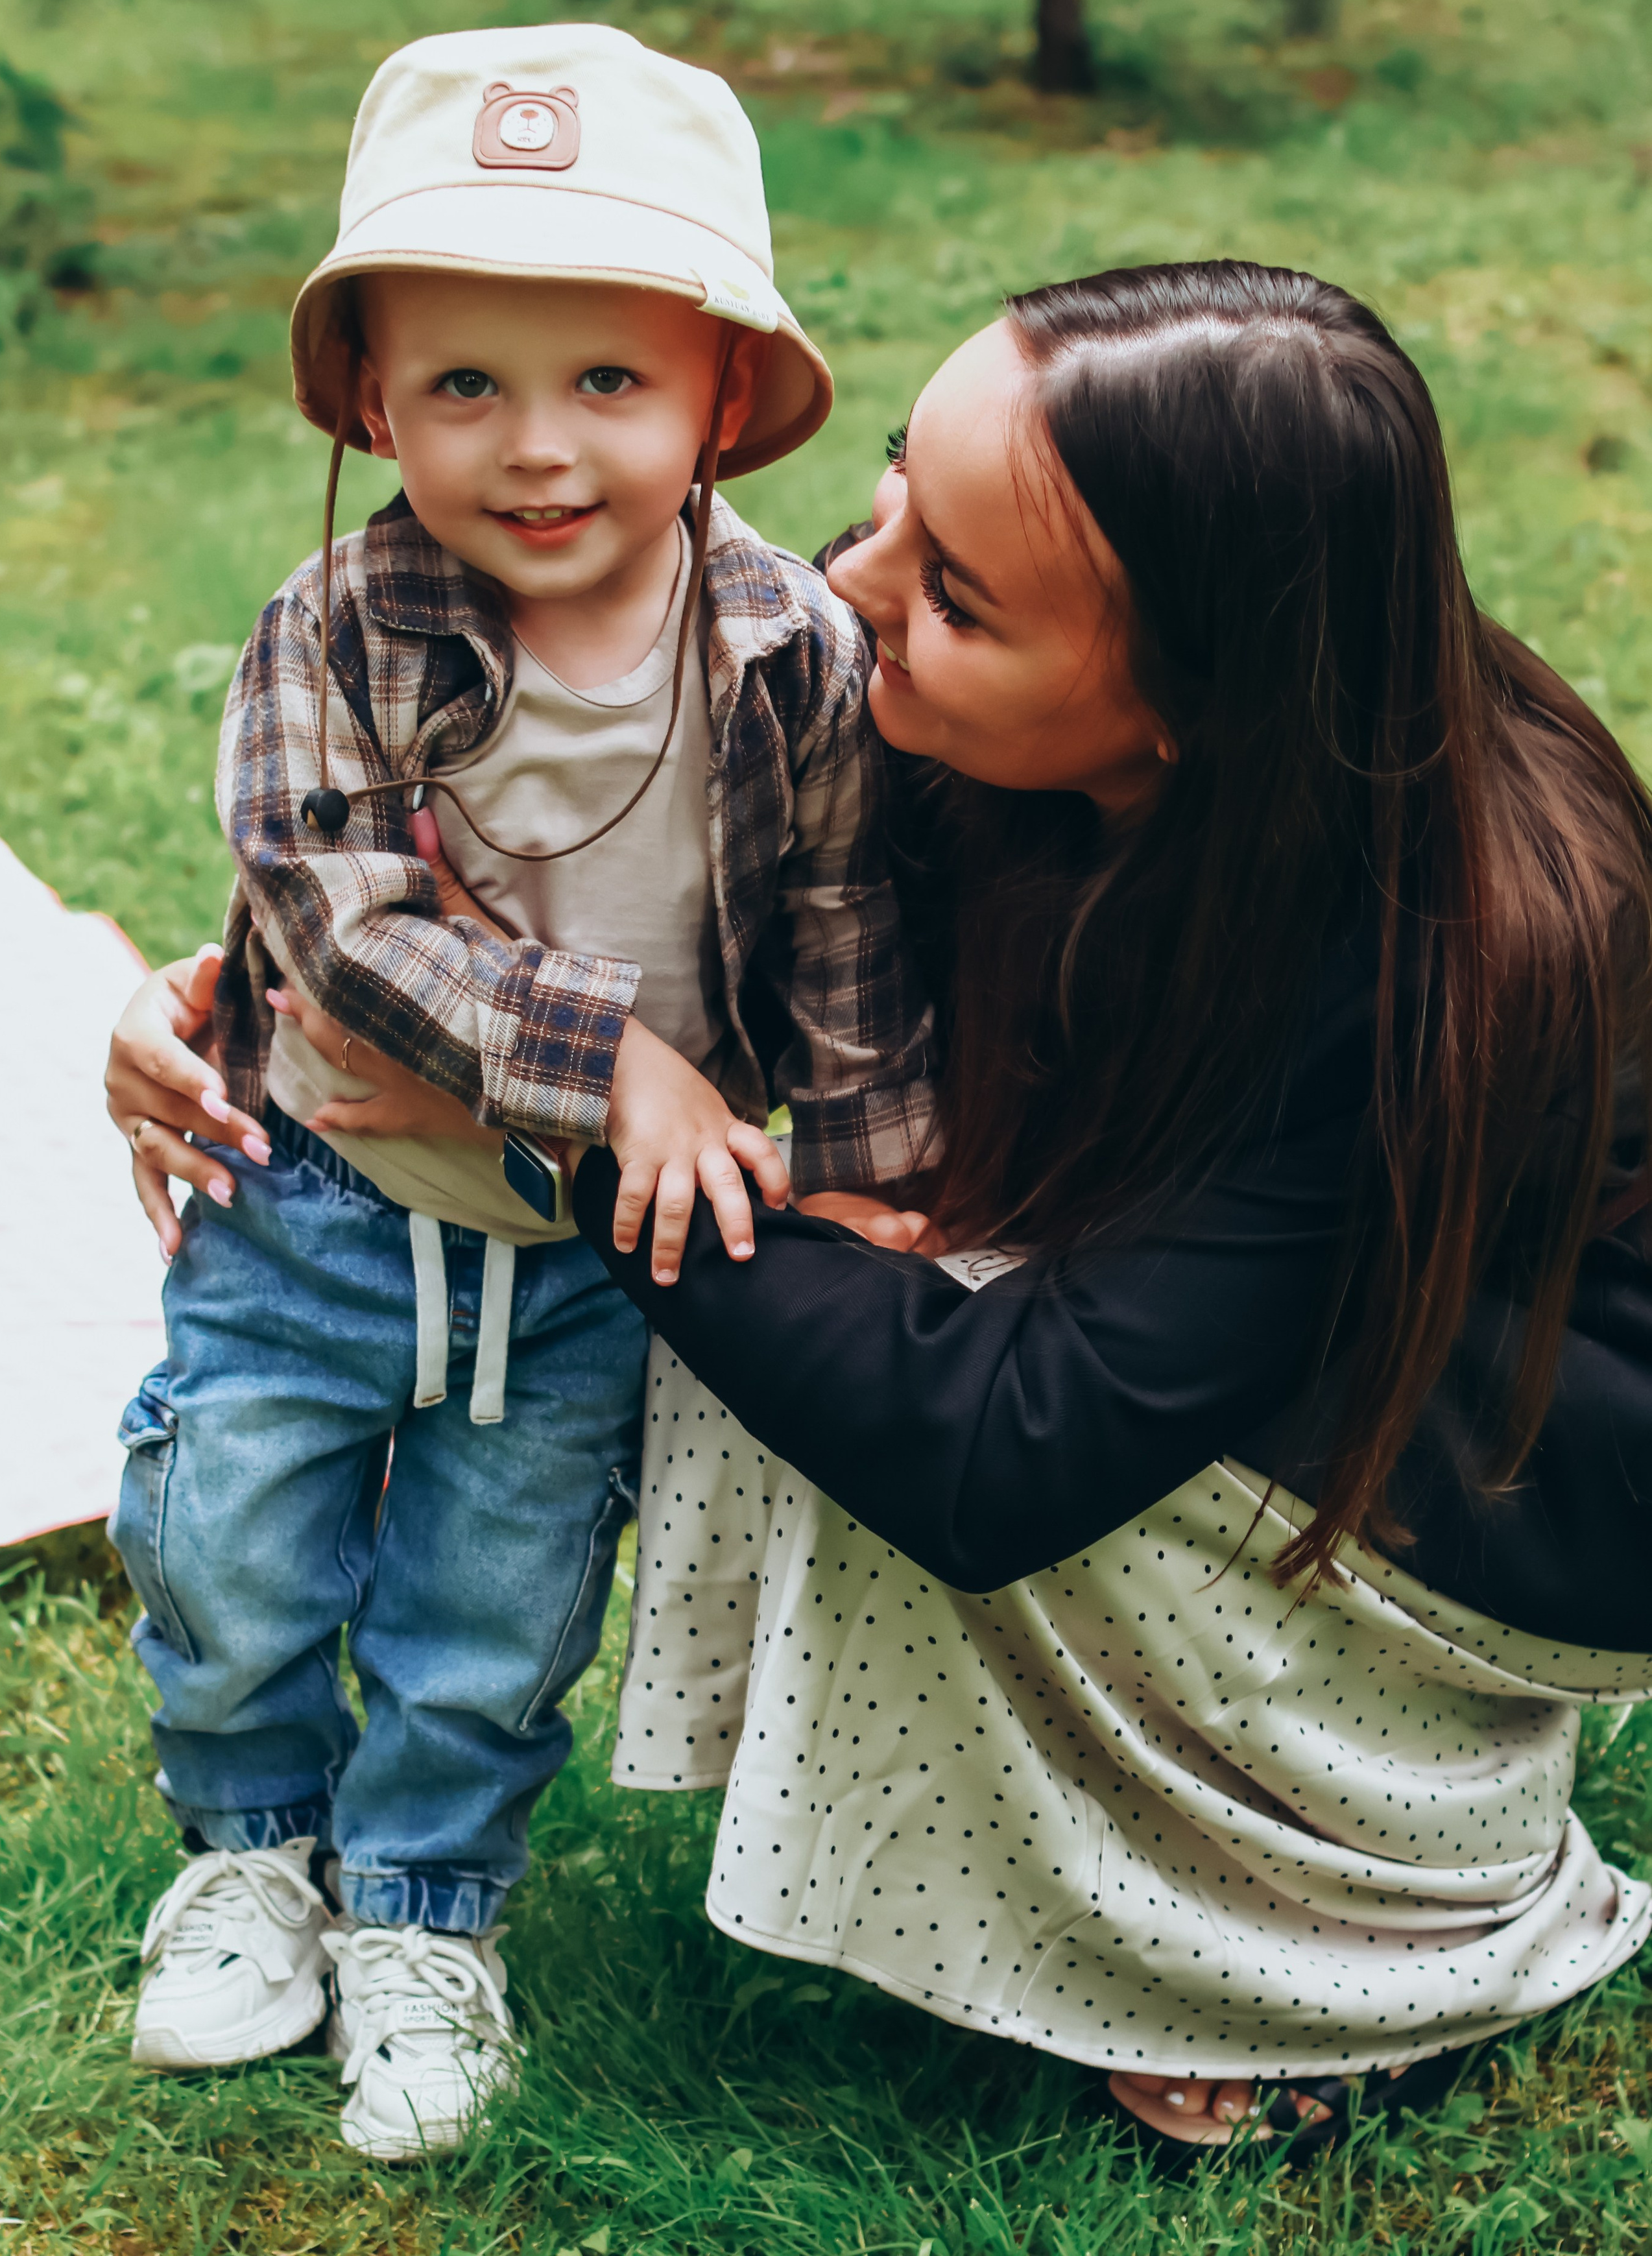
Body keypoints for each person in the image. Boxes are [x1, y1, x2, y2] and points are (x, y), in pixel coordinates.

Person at [109, 259, 1652, 2164]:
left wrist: (571, 1132)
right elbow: (546, 877)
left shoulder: (1438, 955)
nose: (858, 582)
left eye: (962, 595)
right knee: (812, 1284)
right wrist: (277, 990)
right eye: (906, 489)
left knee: (820, 1332)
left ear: (1185, 703)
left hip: (1492, 1480)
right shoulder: (905, 653)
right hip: (1192, 1295)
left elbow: (999, 1454)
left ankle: (1361, 1924)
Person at [105, 22, 934, 2164]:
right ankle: (249, 1849)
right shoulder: (341, 625)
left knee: (499, 1595)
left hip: (577, 1256)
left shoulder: (788, 652)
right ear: (375, 400)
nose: (536, 449)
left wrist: (855, 1162)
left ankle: (423, 1908)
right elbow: (336, 901)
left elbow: (844, 920)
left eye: (608, 383)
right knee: (236, 1546)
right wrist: (617, 1055)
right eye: (465, 383)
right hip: (326, 1196)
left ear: (724, 397)